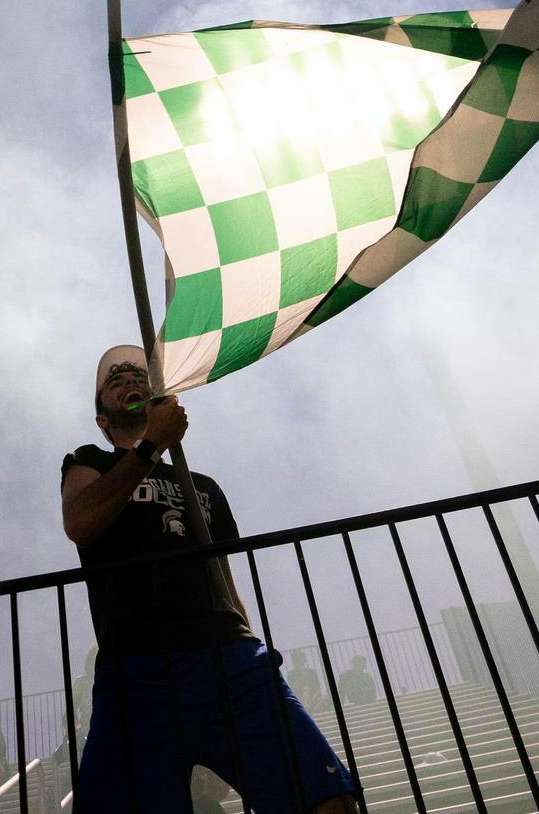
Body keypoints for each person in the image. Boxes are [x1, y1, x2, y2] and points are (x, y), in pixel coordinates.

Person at [60, 344, 360, 813]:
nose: (126, 376)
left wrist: (249, 639)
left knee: (325, 798)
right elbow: (80, 522)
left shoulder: (203, 486)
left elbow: (224, 578)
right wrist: (148, 447)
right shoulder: (88, 462)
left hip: (229, 659)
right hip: (137, 671)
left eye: (137, 372)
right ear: (103, 420)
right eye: (113, 379)